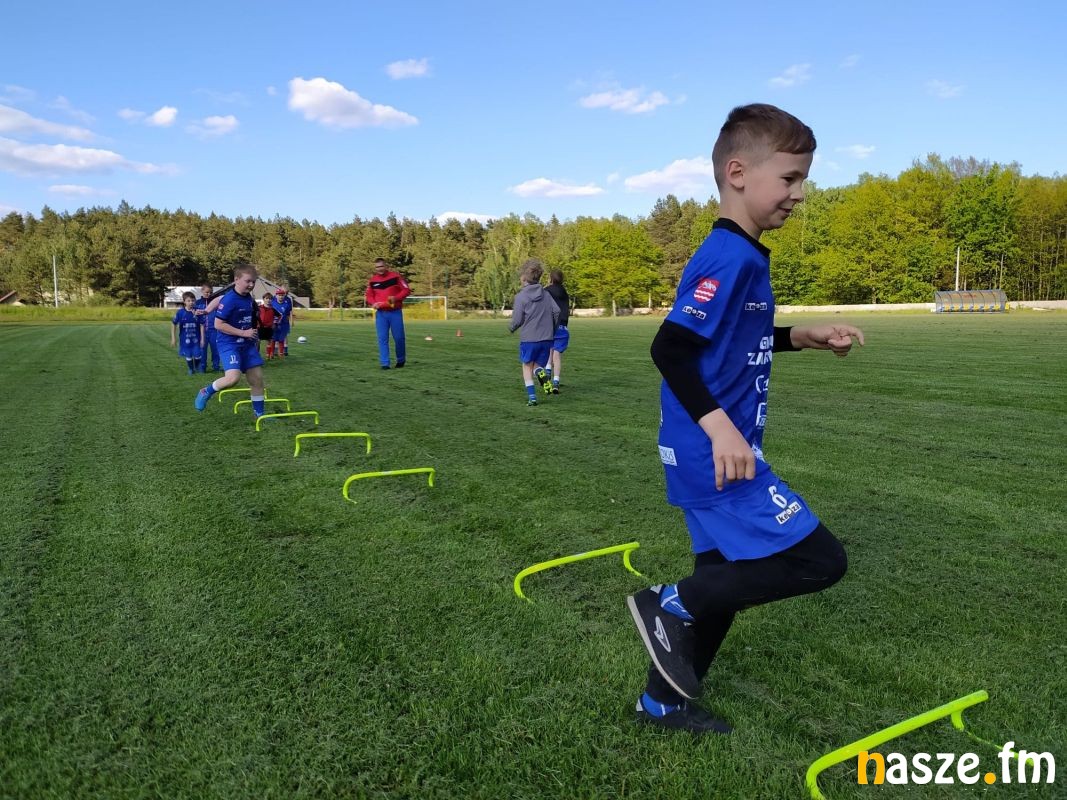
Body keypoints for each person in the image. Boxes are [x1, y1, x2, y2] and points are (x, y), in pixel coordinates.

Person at [626, 104, 865, 735]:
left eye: (802, 179)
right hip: (717, 451)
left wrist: (802, 336)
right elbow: (670, 348)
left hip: (708, 449)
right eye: (789, 178)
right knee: (820, 561)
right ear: (738, 173)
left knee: (723, 578)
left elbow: (732, 341)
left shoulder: (746, 256)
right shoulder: (729, 257)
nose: (799, 194)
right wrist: (722, 428)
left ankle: (661, 703)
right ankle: (666, 604)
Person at [193, 264, 267, 416]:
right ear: (236, 280)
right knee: (233, 378)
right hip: (229, 344)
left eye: (253, 281)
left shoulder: (246, 297)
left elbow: (218, 298)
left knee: (257, 379)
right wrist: (244, 332)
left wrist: (207, 310)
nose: (251, 285)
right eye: (248, 281)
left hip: (247, 343)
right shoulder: (230, 299)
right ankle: (206, 391)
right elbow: (218, 324)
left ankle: (259, 415)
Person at [508, 259, 559, 406]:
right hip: (546, 339)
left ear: (524, 277)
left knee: (527, 366)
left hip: (529, 338)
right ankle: (542, 375)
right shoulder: (546, 294)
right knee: (537, 366)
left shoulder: (521, 297)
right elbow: (557, 311)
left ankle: (532, 398)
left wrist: (512, 327)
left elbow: (518, 319)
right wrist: (553, 329)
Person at [365, 257, 411, 369]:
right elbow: (369, 296)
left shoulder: (396, 277)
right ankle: (385, 363)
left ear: (386, 266)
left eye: (381, 266)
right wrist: (373, 303)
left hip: (395, 312)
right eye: (377, 267)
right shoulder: (372, 281)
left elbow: (406, 290)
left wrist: (396, 298)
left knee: (399, 338)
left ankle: (401, 360)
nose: (379, 269)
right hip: (381, 314)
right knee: (382, 338)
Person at [542, 269, 570, 393]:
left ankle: (548, 371)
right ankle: (556, 382)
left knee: (549, 348)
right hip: (562, 327)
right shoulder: (564, 292)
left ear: (551, 278)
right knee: (557, 355)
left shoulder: (546, 291)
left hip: (550, 325)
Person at [171, 291, 203, 375]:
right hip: (185, 340)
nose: (191, 302)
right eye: (188, 301)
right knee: (188, 355)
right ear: (184, 302)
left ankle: (197, 366)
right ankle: (191, 369)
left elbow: (202, 325)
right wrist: (173, 338)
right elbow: (173, 324)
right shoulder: (180, 313)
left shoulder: (198, 312)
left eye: (193, 300)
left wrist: (202, 339)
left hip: (196, 339)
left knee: (197, 355)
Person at [194, 283, 220, 373]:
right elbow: (192, 315)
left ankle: (216, 367)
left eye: (210, 292)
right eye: (207, 292)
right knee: (202, 350)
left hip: (214, 330)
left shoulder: (215, 303)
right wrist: (195, 313)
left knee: (215, 349)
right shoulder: (197, 303)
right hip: (202, 331)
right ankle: (202, 367)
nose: (209, 294)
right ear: (202, 291)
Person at [270, 285, 294, 357]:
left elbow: (290, 311)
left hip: (284, 321)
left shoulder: (288, 300)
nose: (285, 294)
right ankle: (274, 351)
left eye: (287, 292)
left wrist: (291, 320)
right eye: (284, 292)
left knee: (284, 335)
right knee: (274, 336)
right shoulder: (274, 298)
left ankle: (285, 350)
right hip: (275, 321)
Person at [258, 292, 275, 358]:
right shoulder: (259, 308)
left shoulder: (273, 309)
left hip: (269, 328)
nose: (268, 300)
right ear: (263, 299)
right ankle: (257, 355)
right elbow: (255, 316)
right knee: (258, 341)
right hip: (260, 327)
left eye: (270, 299)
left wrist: (274, 323)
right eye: (267, 298)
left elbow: (279, 316)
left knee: (269, 341)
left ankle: (268, 355)